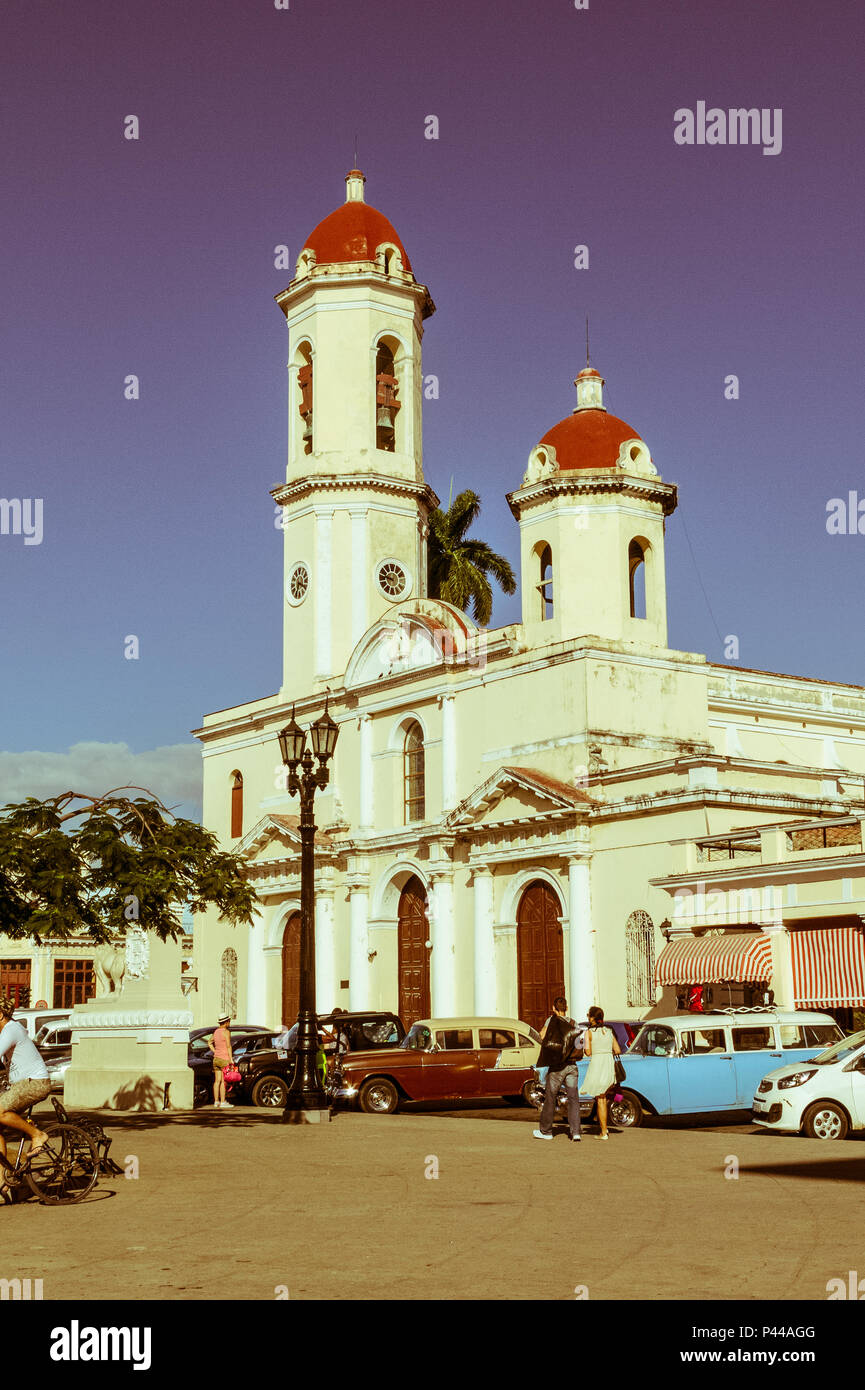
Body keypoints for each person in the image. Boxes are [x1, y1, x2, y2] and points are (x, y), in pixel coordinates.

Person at [0, 995, 51, 1194]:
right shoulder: (7, 1030)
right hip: (23, 1084)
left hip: (34, 1083)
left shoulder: (11, 1029)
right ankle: (4, 1182)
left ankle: (37, 1134)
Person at [533, 996, 582, 1143]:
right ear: (566, 1008)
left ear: (554, 1009)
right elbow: (579, 1044)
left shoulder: (551, 1020)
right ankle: (576, 1132)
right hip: (572, 1065)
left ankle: (546, 1131)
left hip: (557, 1066)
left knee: (550, 1097)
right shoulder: (574, 1022)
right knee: (573, 1098)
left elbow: (542, 1036)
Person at [581, 1005, 621, 1139]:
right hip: (608, 1063)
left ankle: (603, 1132)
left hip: (597, 1065)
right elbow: (618, 1050)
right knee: (603, 1098)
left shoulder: (589, 1033)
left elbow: (587, 1052)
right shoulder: (609, 1031)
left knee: (600, 1099)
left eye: (588, 1015)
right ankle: (604, 1130)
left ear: (592, 1018)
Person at [208, 1013, 235, 1108]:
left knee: (217, 1081)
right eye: (229, 1021)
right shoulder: (226, 1032)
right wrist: (231, 1059)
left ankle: (216, 1101)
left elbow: (209, 1042)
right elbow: (228, 1046)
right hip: (224, 1059)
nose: (229, 1023)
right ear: (226, 1022)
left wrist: (215, 1051)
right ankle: (223, 1101)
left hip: (216, 1059)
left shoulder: (216, 1032)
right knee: (224, 1081)